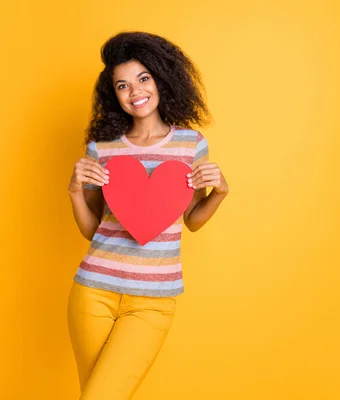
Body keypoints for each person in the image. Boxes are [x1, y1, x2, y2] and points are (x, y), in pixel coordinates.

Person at [66, 31, 229, 399]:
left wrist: (219, 193)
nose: (134, 91)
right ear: (114, 95)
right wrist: (75, 192)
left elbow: (192, 219)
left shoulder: (191, 144)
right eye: (122, 85)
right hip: (92, 292)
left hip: (153, 301)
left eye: (143, 78)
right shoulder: (102, 147)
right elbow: (93, 230)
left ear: (161, 79)